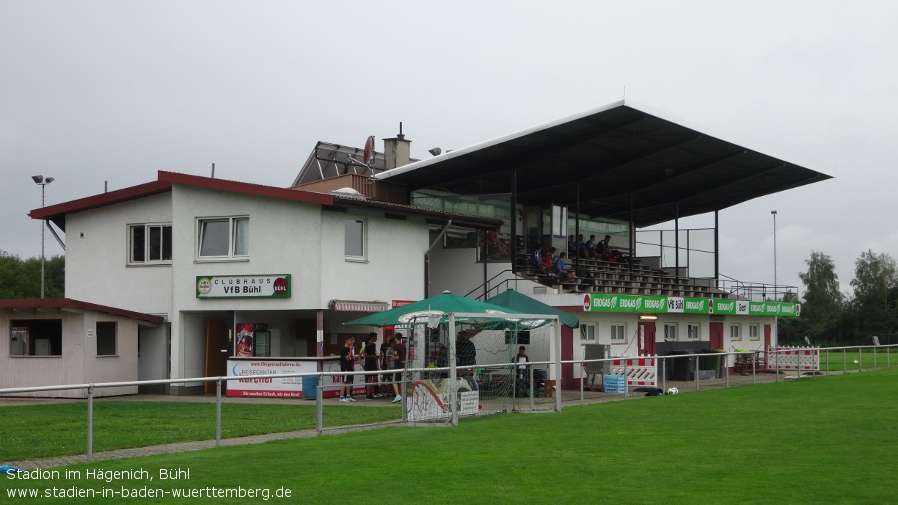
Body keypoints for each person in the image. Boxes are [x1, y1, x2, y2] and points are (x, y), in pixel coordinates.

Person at [339, 336, 357, 402]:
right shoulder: (344, 349)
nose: (353, 342)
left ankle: (348, 396)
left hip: (350, 368)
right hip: (345, 368)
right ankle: (341, 397)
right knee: (344, 382)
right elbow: (347, 358)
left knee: (349, 382)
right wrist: (350, 349)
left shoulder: (349, 349)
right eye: (351, 340)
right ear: (347, 341)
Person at [362, 332, 379, 399]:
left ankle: (371, 391)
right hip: (368, 364)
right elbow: (365, 355)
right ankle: (368, 393)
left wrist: (377, 363)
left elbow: (374, 354)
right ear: (372, 338)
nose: (376, 339)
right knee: (369, 378)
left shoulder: (373, 345)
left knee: (375, 378)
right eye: (375, 337)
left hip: (373, 363)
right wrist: (372, 356)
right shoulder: (367, 346)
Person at [390, 333, 406, 403]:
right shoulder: (403, 346)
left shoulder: (396, 347)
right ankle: (402, 395)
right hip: (403, 365)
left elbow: (397, 357)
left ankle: (397, 395)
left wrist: (391, 355)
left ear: (395, 338)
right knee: (401, 381)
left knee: (394, 381)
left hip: (397, 365)